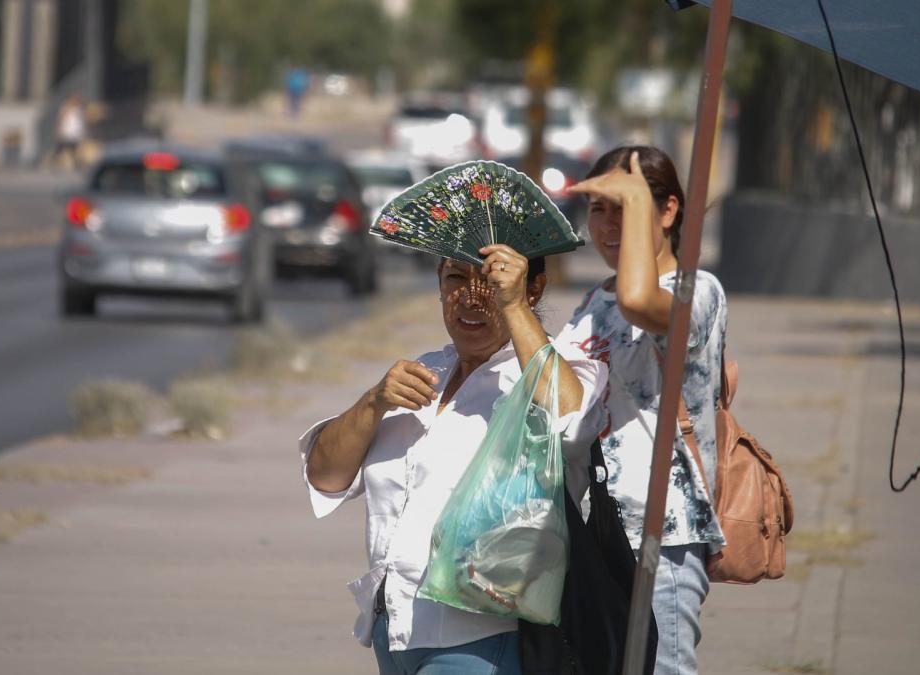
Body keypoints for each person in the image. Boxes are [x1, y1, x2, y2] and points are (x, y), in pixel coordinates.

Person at [299, 245, 607, 675]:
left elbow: (573, 421)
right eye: (455, 279)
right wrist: (373, 403)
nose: (472, 297)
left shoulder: (555, 371)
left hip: (482, 638)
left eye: (492, 281)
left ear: (534, 287)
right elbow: (325, 476)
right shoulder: (423, 374)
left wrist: (513, 305)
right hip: (396, 632)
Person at [561, 145, 727, 675]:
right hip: (594, 529)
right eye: (600, 209)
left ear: (668, 211)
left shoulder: (696, 291)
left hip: (662, 531)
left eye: (625, 208)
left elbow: (641, 303)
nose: (609, 225)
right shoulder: (594, 300)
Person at [54, 94, 86, 170]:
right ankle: (55, 163)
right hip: (67, 133)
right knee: (61, 149)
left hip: (75, 133)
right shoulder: (67, 108)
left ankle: (76, 165)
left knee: (74, 150)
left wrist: (82, 132)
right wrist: (59, 131)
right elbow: (60, 120)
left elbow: (80, 123)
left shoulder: (79, 109)